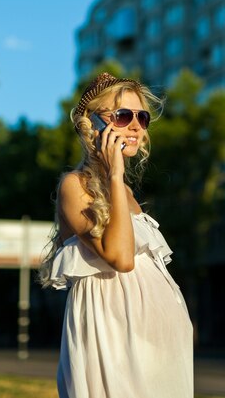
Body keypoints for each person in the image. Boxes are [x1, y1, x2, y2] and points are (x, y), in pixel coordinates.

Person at [39, 72, 193, 398]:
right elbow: (120, 259)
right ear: (93, 124)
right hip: (112, 343)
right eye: (123, 116)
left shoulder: (124, 192)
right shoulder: (75, 186)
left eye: (142, 117)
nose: (136, 126)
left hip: (155, 354)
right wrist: (115, 174)